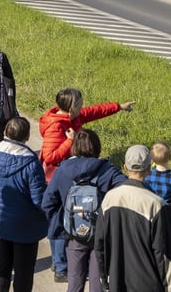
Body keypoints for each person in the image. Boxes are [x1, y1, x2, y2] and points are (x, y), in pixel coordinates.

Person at [39, 88, 134, 282]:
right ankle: (60, 266)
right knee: (61, 220)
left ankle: (63, 261)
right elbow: (49, 157)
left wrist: (118, 107)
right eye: (80, 103)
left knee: (71, 216)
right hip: (59, 177)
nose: (83, 105)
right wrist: (69, 141)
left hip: (71, 171)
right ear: (72, 106)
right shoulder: (55, 127)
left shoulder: (72, 117)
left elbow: (94, 111)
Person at [41, 129, 127, 292]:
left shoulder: (63, 170)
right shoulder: (107, 169)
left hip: (73, 235)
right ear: (97, 147)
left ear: (74, 147)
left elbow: (47, 202)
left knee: (74, 282)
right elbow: (127, 188)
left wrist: (61, 223)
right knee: (98, 283)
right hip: (100, 234)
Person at [94, 145, 171, 292]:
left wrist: (105, 280)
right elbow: (164, 254)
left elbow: (100, 244)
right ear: (149, 168)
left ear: (125, 167)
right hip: (148, 284)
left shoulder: (109, 199)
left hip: (117, 281)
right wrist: (169, 288)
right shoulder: (157, 205)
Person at [0, 117, 48, 292]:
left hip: (0, 218)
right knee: (23, 272)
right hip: (26, 226)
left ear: (4, 132)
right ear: (27, 137)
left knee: (2, 265)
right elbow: (39, 199)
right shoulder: (31, 162)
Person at [145, 140, 171, 262]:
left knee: (154, 239)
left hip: (153, 212)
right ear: (170, 158)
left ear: (152, 160)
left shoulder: (148, 176)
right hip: (169, 214)